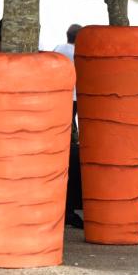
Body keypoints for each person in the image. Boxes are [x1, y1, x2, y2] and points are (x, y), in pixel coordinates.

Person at [53, 24, 85, 227]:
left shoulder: (58, 49)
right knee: (70, 143)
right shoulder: (79, 53)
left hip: (59, 96)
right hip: (73, 97)